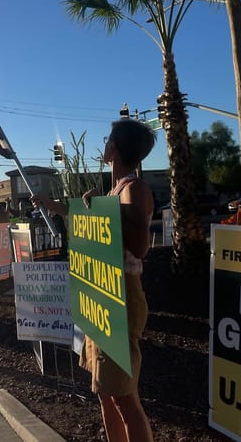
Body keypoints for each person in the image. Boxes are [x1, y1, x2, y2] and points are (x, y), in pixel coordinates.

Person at [32, 119, 155, 442]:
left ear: (114, 148)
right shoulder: (114, 192)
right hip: (102, 295)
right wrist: (54, 206)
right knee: (105, 392)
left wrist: (104, 210)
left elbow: (139, 246)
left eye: (108, 139)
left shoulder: (133, 189)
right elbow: (94, 222)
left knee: (124, 397)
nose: (105, 144)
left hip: (121, 298)